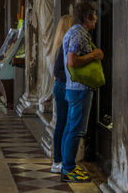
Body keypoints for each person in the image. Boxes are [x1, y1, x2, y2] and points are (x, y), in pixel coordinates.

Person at [61, 1, 104, 182]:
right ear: (87, 17)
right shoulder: (78, 33)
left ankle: (67, 165)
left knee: (71, 128)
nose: (96, 19)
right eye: (94, 15)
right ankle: (69, 168)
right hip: (80, 88)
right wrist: (94, 55)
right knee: (76, 130)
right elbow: (72, 61)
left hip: (74, 88)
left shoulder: (73, 32)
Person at [49, 15, 74, 174]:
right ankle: (57, 160)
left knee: (65, 124)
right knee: (62, 124)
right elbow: (58, 71)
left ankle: (62, 158)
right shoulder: (63, 46)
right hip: (63, 87)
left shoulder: (64, 44)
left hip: (64, 86)